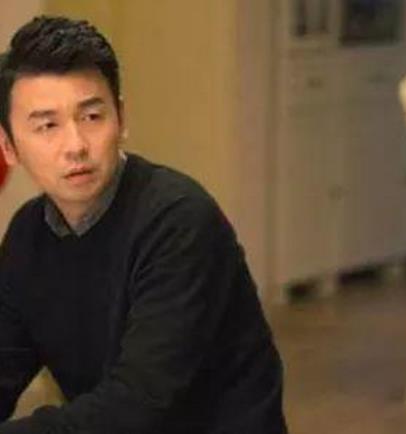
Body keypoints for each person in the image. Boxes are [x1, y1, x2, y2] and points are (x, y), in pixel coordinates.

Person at [0, 16, 287, 433]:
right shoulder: (29, 234)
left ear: (121, 117)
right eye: (47, 126)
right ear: (8, 146)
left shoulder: (179, 220)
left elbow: (138, 404)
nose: (75, 145)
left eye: (92, 116)